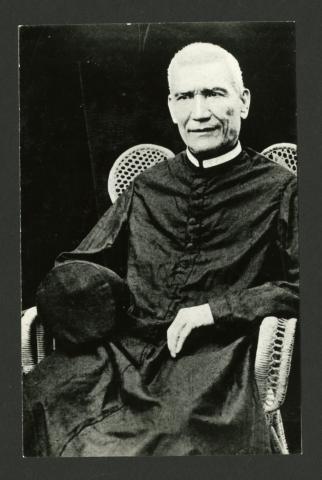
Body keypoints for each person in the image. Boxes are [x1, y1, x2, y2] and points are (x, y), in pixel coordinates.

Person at [23, 42, 298, 456]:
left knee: (163, 441)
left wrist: (212, 311)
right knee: (35, 397)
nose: (199, 112)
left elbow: (306, 284)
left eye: (214, 94)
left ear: (243, 102)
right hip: (121, 354)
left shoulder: (281, 187)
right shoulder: (149, 184)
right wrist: (80, 294)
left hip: (212, 365)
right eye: (186, 97)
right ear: (171, 107)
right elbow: (83, 262)